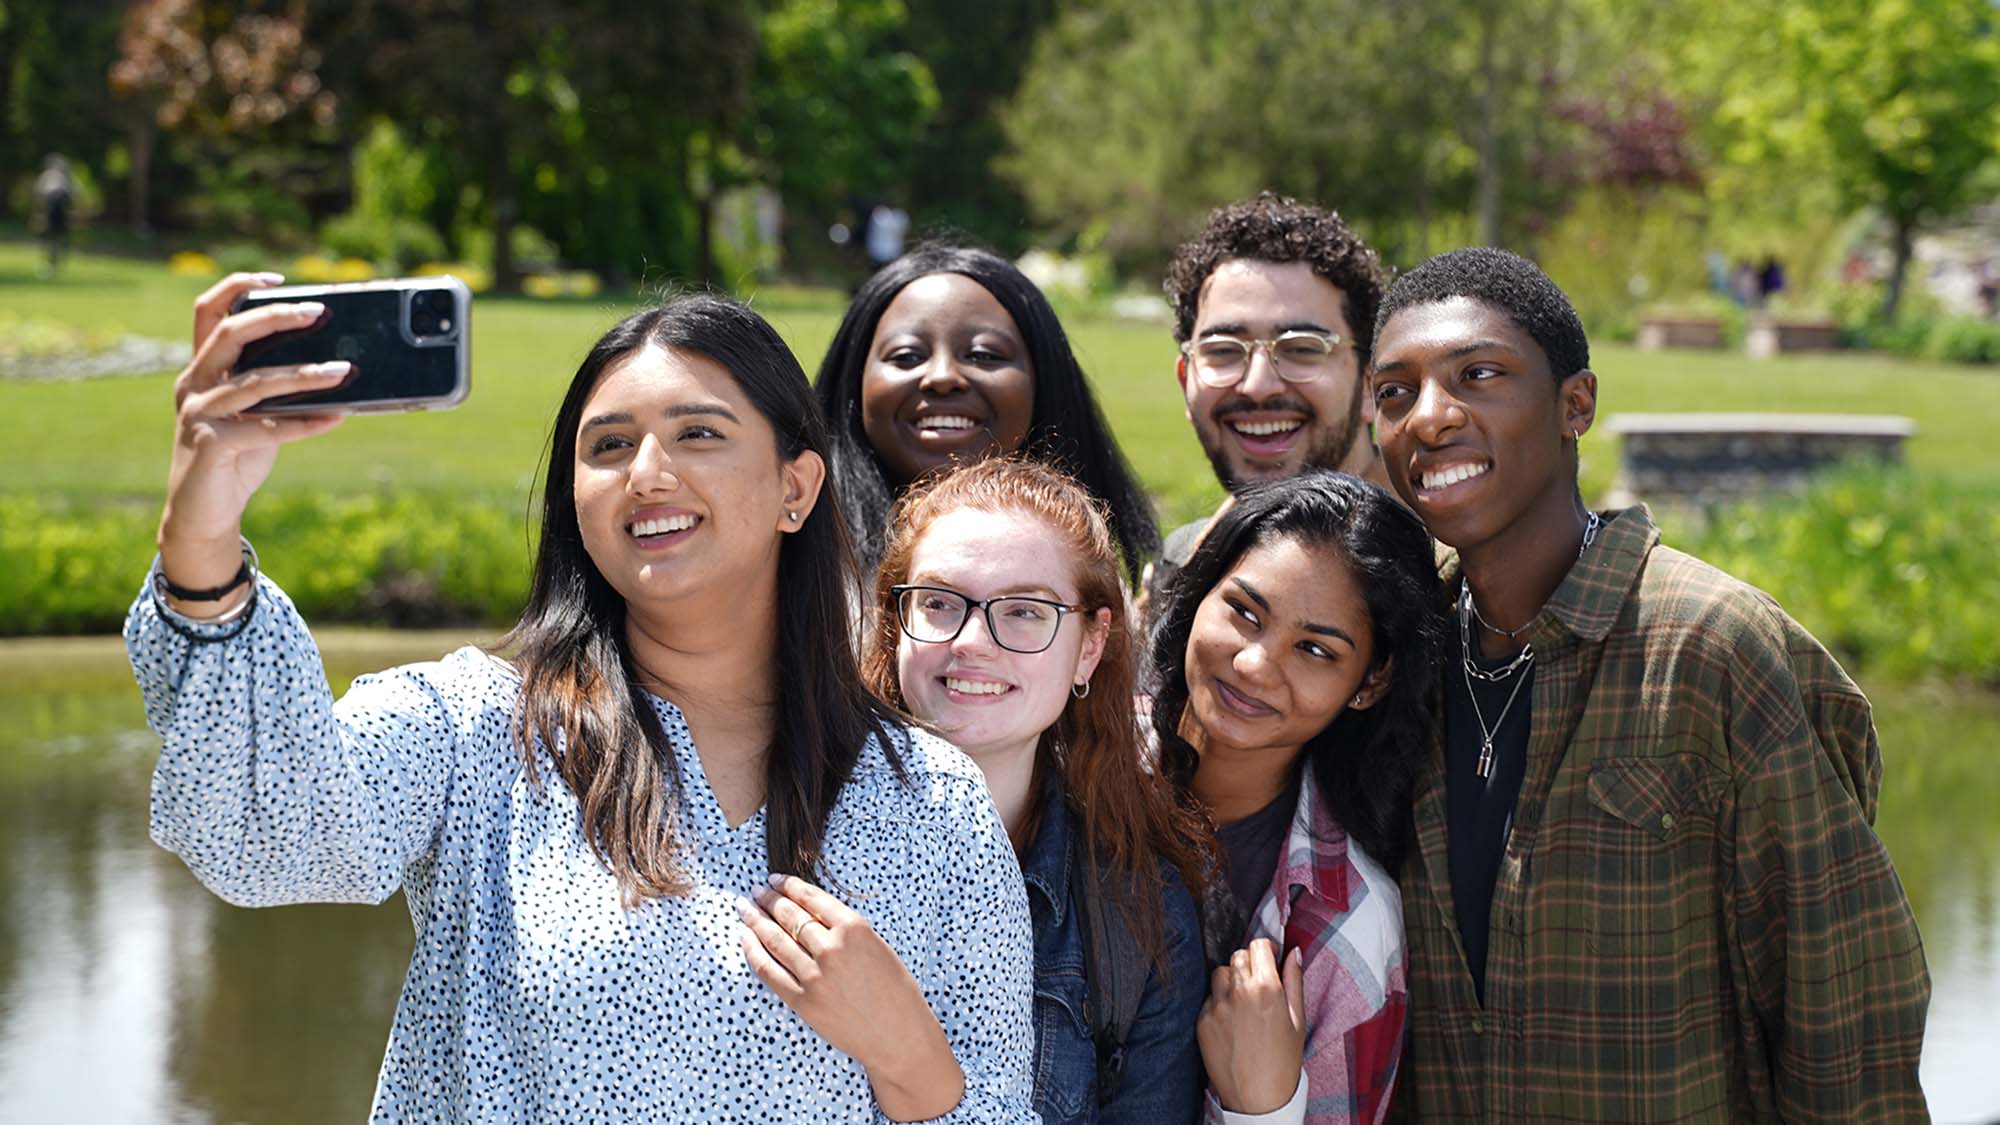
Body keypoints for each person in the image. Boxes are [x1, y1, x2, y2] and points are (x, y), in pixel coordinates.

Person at [127, 276, 1037, 1121]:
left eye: (699, 433)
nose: (646, 472)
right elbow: (263, 839)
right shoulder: (476, 729)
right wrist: (201, 536)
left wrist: (913, 1060)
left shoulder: (934, 799)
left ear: (795, 487)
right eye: (607, 446)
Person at [1366, 247, 1930, 1119]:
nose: (1430, 418)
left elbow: (1847, 1026)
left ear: (1575, 405)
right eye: (1395, 392)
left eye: (1478, 375)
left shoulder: (1713, 648)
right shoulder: (1401, 655)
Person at [790, 456, 1210, 1124]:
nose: (973, 641)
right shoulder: (786, 823)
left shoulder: (1139, 914)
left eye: (1023, 611)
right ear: (896, 621)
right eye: (938, 603)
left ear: (1089, 646)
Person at [1148, 472, 1441, 1125]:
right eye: (1244, 612)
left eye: (1314, 649)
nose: (1253, 664)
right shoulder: (1073, 755)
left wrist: (1263, 1108)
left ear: (1370, 682)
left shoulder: (1352, 930)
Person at [815, 242, 1160, 585]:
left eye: (984, 354)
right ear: (852, 381)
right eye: (906, 356)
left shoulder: (1110, 600)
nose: (943, 377)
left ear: (1045, 380)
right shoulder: (790, 571)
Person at [1145, 194, 1390, 611]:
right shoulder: (1177, 576)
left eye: (1302, 349)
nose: (1258, 385)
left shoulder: (1459, 596)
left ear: (1371, 385)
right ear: (1186, 381)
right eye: (1223, 350)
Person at [34, 154, 74, 275]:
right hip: (54, 207)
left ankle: (53, 262)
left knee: (53, 237)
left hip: (55, 207)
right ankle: (53, 261)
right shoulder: (63, 178)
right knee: (54, 237)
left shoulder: (51, 177)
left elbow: (40, 195)